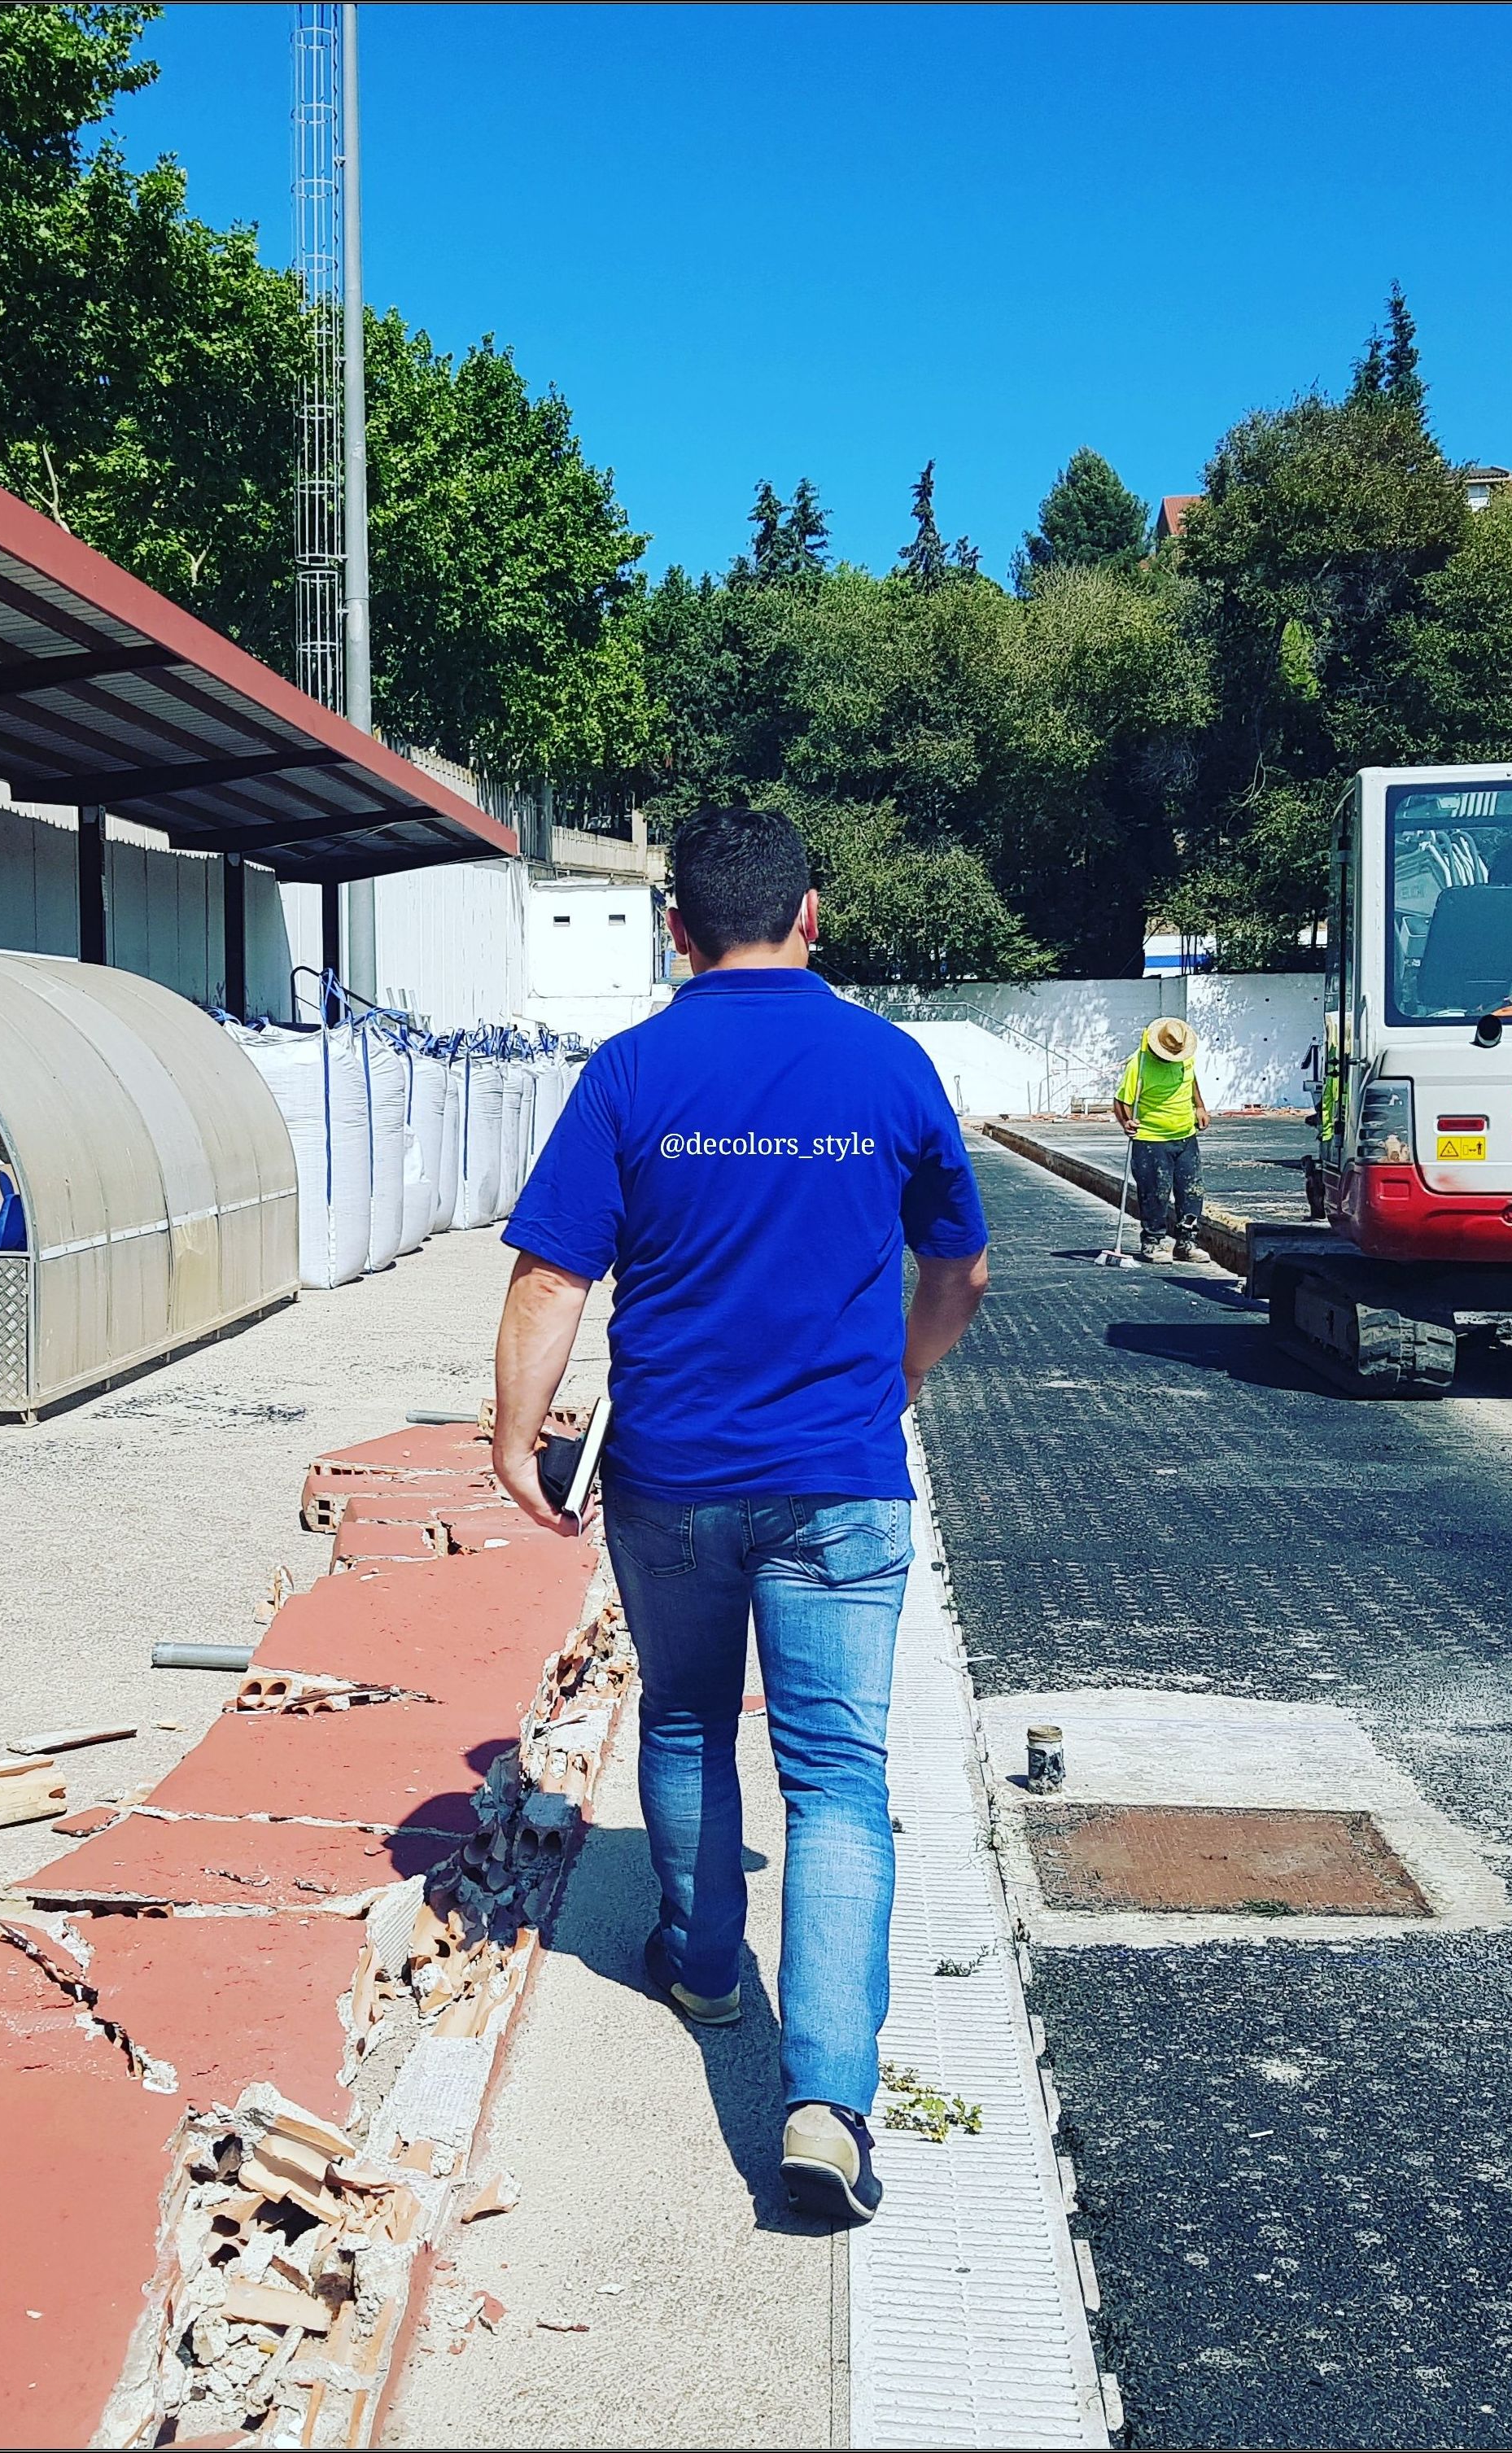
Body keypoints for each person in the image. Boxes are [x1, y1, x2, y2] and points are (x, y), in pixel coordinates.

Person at [489, 805, 990, 2228]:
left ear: (676, 928)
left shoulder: (634, 1070)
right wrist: (895, 1372)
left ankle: (708, 1963)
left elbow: (548, 1279)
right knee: (838, 1780)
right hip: (838, 1484)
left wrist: (515, 1435)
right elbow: (960, 1270)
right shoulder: (890, 1065)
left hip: (674, 1481)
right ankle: (825, 2096)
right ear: (813, 914)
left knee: (694, 1718)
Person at [1114, 1013, 1209, 1262]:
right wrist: (1127, 1122)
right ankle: (1152, 1243)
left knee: (1192, 1192)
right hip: (1151, 1140)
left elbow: (1191, 1081)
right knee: (1155, 1193)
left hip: (1186, 1136)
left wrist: (1199, 1106)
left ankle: (1186, 1243)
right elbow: (1121, 1100)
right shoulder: (1140, 1063)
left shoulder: (1184, 1059)